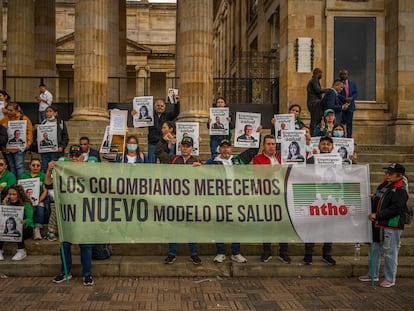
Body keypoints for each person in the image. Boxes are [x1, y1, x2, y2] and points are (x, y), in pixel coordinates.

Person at [205, 138, 260, 263]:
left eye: (228, 147)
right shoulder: (213, 162)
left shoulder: (237, 160)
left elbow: (253, 151)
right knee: (219, 225)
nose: (225, 149)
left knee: (236, 226)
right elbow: (200, 171)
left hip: (236, 198)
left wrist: (257, 134)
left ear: (231, 149)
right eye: (223, 147)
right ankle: (220, 252)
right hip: (220, 199)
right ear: (219, 149)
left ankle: (236, 252)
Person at [51, 145, 96, 285]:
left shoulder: (88, 171)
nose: (74, 158)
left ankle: (87, 275)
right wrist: (49, 170)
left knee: (85, 245)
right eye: (72, 155)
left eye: (77, 156)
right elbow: (47, 185)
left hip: (84, 213)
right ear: (68, 157)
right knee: (65, 244)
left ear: (82, 158)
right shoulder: (62, 171)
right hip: (68, 213)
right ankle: (65, 272)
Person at [358, 163, 409, 288]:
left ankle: (390, 278)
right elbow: (382, 198)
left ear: (400, 175)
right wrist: (374, 197)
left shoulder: (401, 189)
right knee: (374, 249)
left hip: (391, 225)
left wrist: (378, 215)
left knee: (390, 252)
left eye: (391, 173)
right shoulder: (386, 183)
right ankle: (372, 274)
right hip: (378, 224)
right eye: (387, 172)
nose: (388, 175)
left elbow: (396, 208)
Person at [155, 136, 202, 265]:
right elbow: (158, 153)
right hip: (175, 199)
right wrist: (164, 141)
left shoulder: (197, 161)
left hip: (190, 200)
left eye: (188, 146)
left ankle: (194, 253)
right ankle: (172, 253)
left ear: (192, 148)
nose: (185, 148)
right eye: (183, 146)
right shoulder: (173, 159)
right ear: (180, 147)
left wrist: (202, 169)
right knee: (173, 227)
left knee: (192, 227)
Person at [253, 135, 291, 264]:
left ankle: (283, 251)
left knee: (283, 224)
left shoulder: (282, 158)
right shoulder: (258, 159)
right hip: (267, 195)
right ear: (263, 146)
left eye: (273, 144)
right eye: (268, 144)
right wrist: (271, 170)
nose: (271, 146)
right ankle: (267, 251)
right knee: (268, 224)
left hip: (282, 194)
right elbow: (258, 175)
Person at [303, 136, 337, 265]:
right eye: (323, 144)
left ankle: (327, 254)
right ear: (319, 146)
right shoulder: (312, 159)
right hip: (315, 198)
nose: (326, 146)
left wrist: (352, 162)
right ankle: (308, 254)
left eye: (328, 144)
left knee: (329, 228)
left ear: (332, 147)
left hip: (331, 198)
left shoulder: (338, 161)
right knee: (312, 226)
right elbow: (304, 174)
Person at [133, 98, 179, 163]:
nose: (160, 107)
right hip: (152, 143)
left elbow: (176, 113)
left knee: (164, 163)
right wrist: (135, 115)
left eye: (162, 106)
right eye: (158, 105)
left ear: (164, 108)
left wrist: (177, 102)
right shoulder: (149, 115)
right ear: (154, 107)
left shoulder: (167, 115)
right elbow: (141, 124)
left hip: (164, 143)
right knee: (151, 163)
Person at [0, 184, 34, 261]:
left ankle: (21, 250)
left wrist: (25, 221)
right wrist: (4, 206)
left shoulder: (26, 204)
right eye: (10, 194)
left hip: (25, 228)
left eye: (14, 194)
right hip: (9, 230)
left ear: (19, 194)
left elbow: (30, 219)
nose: (11, 196)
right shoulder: (7, 203)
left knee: (19, 229)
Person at [0, 102, 33, 179]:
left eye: (11, 110)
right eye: (7, 110)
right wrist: (2, 127)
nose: (8, 112)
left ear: (16, 110)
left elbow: (29, 131)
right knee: (12, 167)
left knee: (19, 166)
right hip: (7, 148)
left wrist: (28, 143)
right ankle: (13, 184)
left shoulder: (24, 119)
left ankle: (20, 184)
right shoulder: (4, 120)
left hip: (19, 148)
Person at [19, 158, 47, 240]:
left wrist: (39, 200)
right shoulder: (24, 176)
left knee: (41, 206)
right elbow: (20, 191)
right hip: (26, 200)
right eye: (33, 165)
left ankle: (37, 229)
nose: (35, 167)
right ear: (29, 166)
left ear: (40, 167)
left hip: (39, 199)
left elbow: (45, 191)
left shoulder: (43, 176)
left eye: (38, 165)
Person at [36, 105, 69, 172]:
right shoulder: (43, 123)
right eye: (46, 111)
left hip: (56, 152)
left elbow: (65, 137)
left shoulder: (60, 123)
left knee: (56, 169)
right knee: (45, 168)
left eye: (50, 111)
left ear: (55, 113)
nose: (48, 113)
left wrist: (62, 147)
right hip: (45, 152)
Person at [338, 69, 358, 138]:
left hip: (350, 106)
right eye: (342, 74)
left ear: (347, 75)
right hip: (341, 105)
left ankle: (349, 137)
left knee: (349, 123)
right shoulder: (337, 84)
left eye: (345, 74)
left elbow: (356, 93)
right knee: (340, 122)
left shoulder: (352, 84)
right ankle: (340, 137)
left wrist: (351, 98)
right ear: (339, 75)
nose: (343, 75)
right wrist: (344, 99)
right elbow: (336, 94)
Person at [306, 68, 326, 134]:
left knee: (317, 119)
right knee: (315, 119)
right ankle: (313, 133)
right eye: (321, 73)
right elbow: (318, 90)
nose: (322, 75)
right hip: (314, 103)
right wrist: (327, 90)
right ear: (318, 73)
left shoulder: (314, 80)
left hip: (314, 102)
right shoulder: (314, 80)